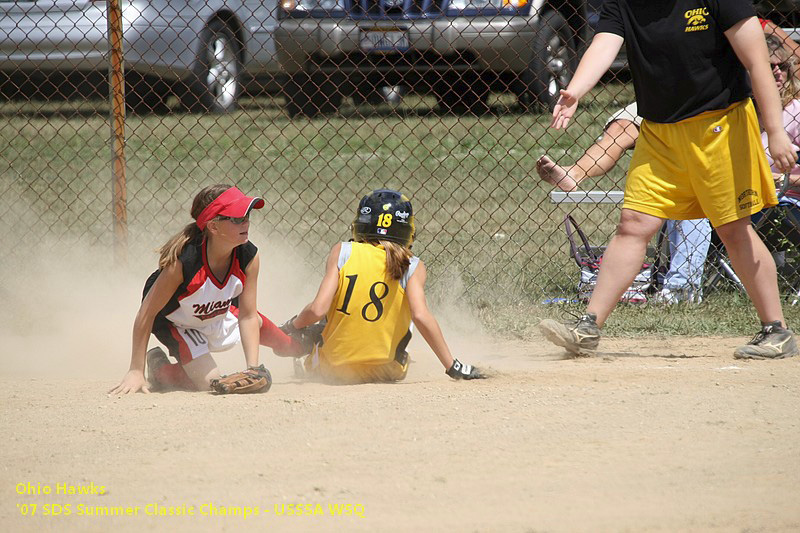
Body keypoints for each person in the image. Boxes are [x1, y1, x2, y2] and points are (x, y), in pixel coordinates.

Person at [539, 1, 799, 360]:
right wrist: (577, 90)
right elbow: (604, 42)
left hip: (720, 126)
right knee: (633, 224)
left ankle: (777, 331)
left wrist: (775, 131)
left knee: (732, 228)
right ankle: (589, 327)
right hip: (660, 131)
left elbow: (757, 63)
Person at [109, 185, 302, 394]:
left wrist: (252, 369)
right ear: (213, 226)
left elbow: (247, 316)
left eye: (247, 215)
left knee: (257, 321)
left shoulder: (248, 256)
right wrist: (135, 370)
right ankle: (160, 369)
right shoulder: (184, 263)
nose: (246, 221)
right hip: (181, 324)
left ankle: (300, 346)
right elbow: (146, 314)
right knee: (210, 383)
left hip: (213, 311)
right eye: (236, 218)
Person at [282, 189, 484, 383]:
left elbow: (318, 309)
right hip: (389, 371)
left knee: (320, 327)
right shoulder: (413, 265)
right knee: (404, 311)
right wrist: (453, 366)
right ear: (407, 230)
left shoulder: (343, 251)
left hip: (335, 371)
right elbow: (421, 316)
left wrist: (294, 325)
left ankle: (306, 351)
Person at [537, 102, 711, 304]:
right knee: (624, 124)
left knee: (687, 193)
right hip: (679, 98)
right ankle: (574, 173)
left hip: (715, 119)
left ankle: (680, 289)